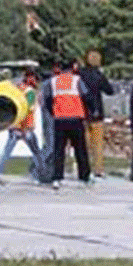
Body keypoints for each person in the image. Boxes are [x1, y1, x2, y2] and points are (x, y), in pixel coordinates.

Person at [42, 59, 91, 188]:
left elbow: (47, 99)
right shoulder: (77, 80)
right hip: (76, 118)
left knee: (59, 150)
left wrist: (53, 111)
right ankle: (84, 176)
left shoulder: (54, 81)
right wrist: (87, 112)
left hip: (59, 119)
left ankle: (57, 177)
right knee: (80, 149)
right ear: (72, 68)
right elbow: (86, 96)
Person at [0, 68, 41, 185]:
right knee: (37, 152)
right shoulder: (30, 92)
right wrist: (24, 128)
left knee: (6, 152)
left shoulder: (17, 88)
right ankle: (39, 174)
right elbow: (27, 110)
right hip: (25, 127)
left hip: (14, 125)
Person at [79, 50, 116, 179]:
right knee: (98, 143)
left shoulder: (80, 74)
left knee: (83, 143)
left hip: (82, 111)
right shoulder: (99, 75)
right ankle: (98, 169)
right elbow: (110, 91)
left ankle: (84, 168)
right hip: (97, 112)